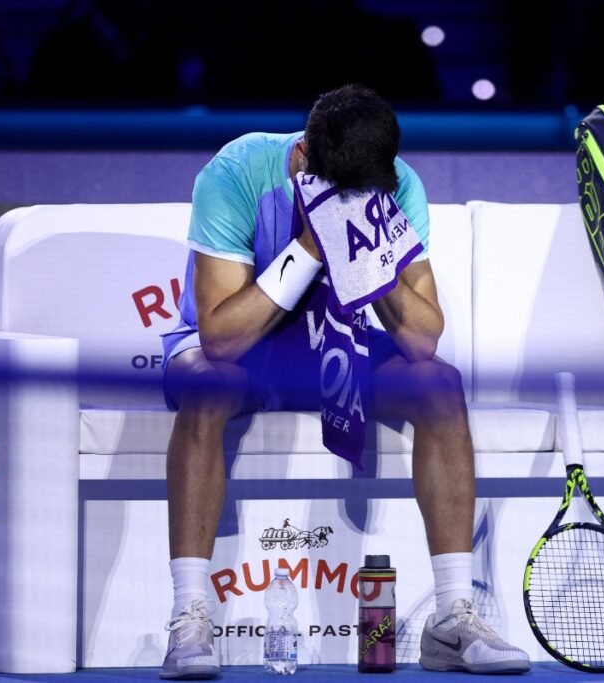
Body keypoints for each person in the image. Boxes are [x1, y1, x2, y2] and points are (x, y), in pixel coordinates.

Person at [158, 84, 530, 679]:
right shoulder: (236, 172)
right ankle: (189, 617)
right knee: (207, 381)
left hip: (339, 349)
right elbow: (220, 338)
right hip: (245, 353)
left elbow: (421, 340)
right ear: (303, 157)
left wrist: (366, 256)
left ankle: (451, 619)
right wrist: (312, 243)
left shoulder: (399, 185)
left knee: (440, 384)